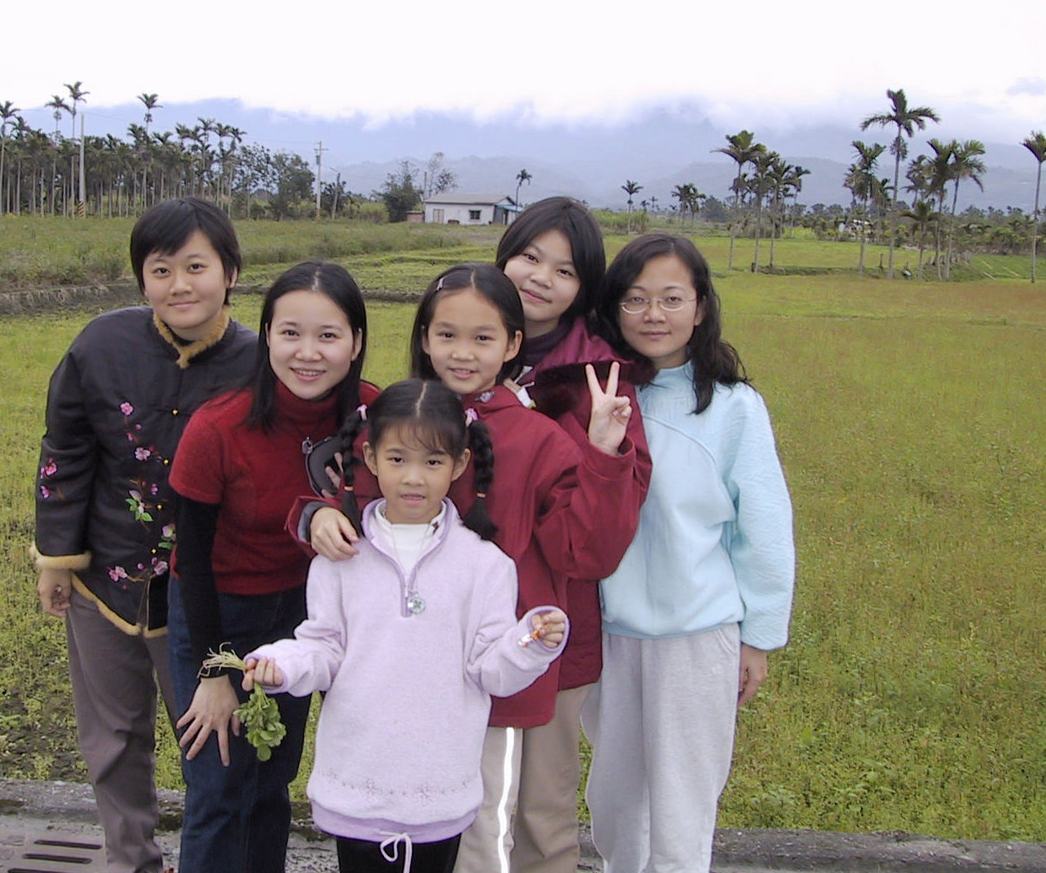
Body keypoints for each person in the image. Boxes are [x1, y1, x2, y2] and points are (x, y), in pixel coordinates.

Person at [307, 262, 643, 873]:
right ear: (424, 337)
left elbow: (586, 551)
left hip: (491, 664)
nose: (462, 353)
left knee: (488, 827)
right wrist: (315, 518)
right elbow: (352, 515)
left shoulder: (538, 439)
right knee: (409, 827)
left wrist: (601, 453)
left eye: (482, 337)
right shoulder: (393, 421)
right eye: (447, 335)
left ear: (512, 344)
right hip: (394, 678)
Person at [231, 379, 569, 873]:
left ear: (459, 465)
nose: (414, 478)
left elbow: (490, 670)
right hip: (358, 786)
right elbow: (323, 648)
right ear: (370, 459)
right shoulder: (340, 557)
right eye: (397, 459)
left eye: (432, 462)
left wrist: (530, 642)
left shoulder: (486, 565)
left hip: (440, 792)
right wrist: (279, 664)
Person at [32, 196, 256, 873]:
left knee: (216, 744)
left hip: (204, 594)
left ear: (230, 272)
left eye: (196, 267)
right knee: (112, 739)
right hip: (104, 580)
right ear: (142, 278)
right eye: (161, 270)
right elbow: (65, 450)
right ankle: (130, 860)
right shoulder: (100, 345)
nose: (179, 285)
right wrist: (56, 559)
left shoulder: (261, 363)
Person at [584, 234, 796, 873]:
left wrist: (759, 637)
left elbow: (764, 526)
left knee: (682, 806)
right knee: (614, 802)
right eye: (635, 299)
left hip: (698, 638)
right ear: (613, 308)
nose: (654, 314)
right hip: (608, 634)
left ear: (700, 307)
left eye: (672, 299)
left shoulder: (733, 407)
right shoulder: (596, 395)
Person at [167, 260, 378, 873]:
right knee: (218, 785)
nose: (307, 353)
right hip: (222, 612)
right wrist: (215, 670)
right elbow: (192, 561)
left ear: (356, 342)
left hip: (307, 616)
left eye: (328, 335)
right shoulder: (218, 426)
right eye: (290, 333)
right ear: (266, 337)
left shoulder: (375, 417)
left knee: (271, 777)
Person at [494, 197, 653, 873]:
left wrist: (600, 452)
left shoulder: (600, 383)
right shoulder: (460, 347)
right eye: (530, 257)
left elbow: (596, 545)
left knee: (542, 811)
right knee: (459, 803)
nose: (540, 278)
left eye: (564, 270)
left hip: (554, 622)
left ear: (584, 289)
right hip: (458, 624)